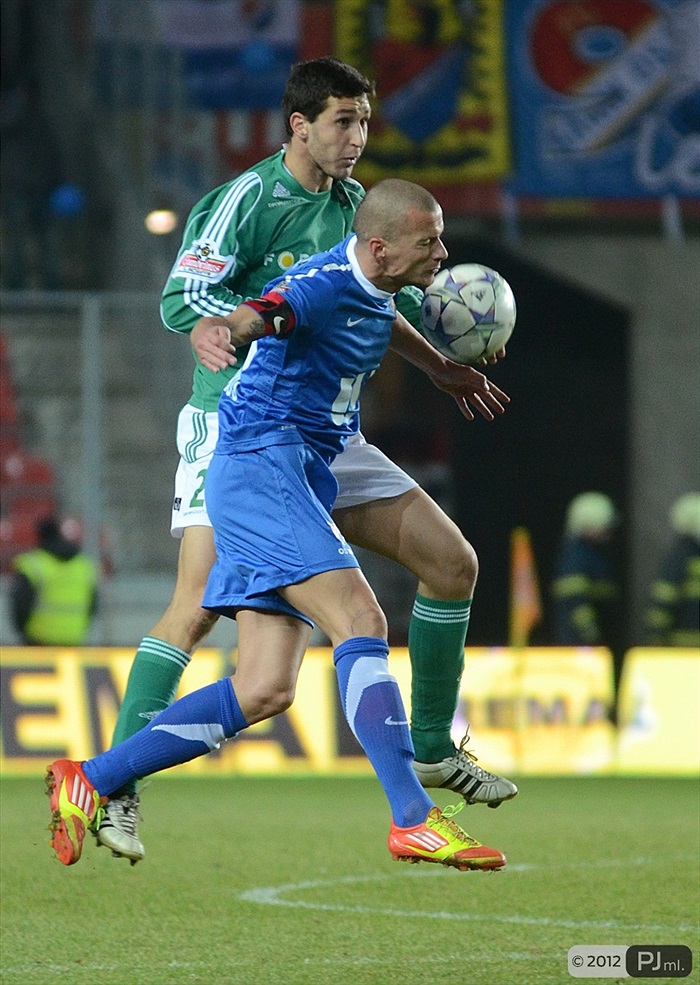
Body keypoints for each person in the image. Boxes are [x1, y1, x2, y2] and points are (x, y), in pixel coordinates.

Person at [98, 56, 517, 863]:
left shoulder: (357, 208)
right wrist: (224, 327)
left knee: (451, 563)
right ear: (300, 125)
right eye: (342, 122)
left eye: (364, 122)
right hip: (239, 427)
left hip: (328, 433)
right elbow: (184, 295)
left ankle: (431, 748)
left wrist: (440, 364)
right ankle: (115, 786)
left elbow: (372, 303)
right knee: (196, 607)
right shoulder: (250, 200)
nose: (357, 138)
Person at [10, 517, 99, 645]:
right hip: (74, 638)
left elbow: (21, 605)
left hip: (38, 641)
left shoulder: (33, 564)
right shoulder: (85, 565)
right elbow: (94, 604)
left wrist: (22, 632)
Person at [551, 492, 621, 648]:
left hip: (596, 641)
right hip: (579, 645)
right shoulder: (576, 556)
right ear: (588, 524)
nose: (609, 532)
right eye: (605, 527)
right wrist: (591, 634)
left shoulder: (596, 553)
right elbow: (575, 602)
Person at [644, 492, 700, 647]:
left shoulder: (679, 556)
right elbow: (664, 599)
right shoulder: (681, 557)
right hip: (685, 646)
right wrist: (656, 636)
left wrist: (656, 636)